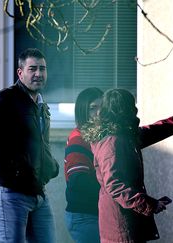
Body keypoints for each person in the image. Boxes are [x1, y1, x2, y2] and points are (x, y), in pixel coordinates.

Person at [80, 88, 173, 243]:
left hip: (125, 223)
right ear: (125, 110)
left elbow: (152, 131)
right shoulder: (112, 141)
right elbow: (115, 185)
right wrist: (149, 204)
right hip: (121, 228)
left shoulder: (121, 134)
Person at [0, 48, 59, 243]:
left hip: (37, 191)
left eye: (42, 69)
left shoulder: (41, 106)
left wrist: (50, 165)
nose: (38, 74)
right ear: (20, 73)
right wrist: (16, 166)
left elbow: (39, 144)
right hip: (9, 191)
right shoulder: (4, 100)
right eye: (33, 69)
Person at [64, 87, 103, 243]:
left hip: (94, 213)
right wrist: (112, 191)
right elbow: (78, 181)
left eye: (103, 107)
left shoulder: (98, 134)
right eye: (93, 108)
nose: (99, 113)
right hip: (85, 216)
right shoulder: (79, 139)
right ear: (83, 111)